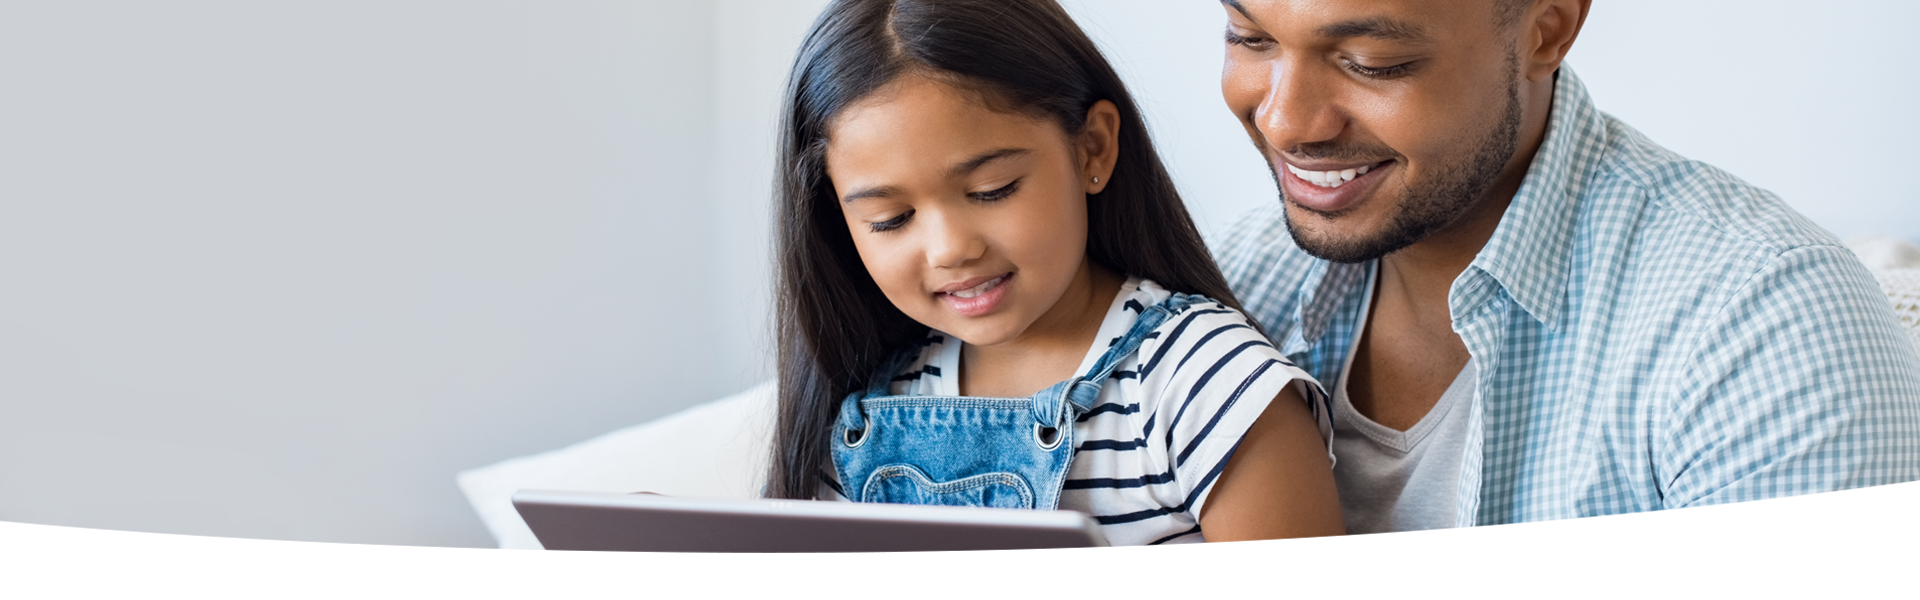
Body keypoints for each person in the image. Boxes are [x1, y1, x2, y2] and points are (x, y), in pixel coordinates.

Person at [1211, 0, 1920, 534]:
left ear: (1546, 30)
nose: (1284, 121)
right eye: (1250, 38)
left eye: (1372, 62)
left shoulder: (1767, 320)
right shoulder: (1235, 280)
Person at [763, 0, 1345, 544]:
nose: (949, 250)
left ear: (1091, 148)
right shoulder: (870, 407)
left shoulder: (1206, 386)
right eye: (891, 219)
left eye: (993, 190)